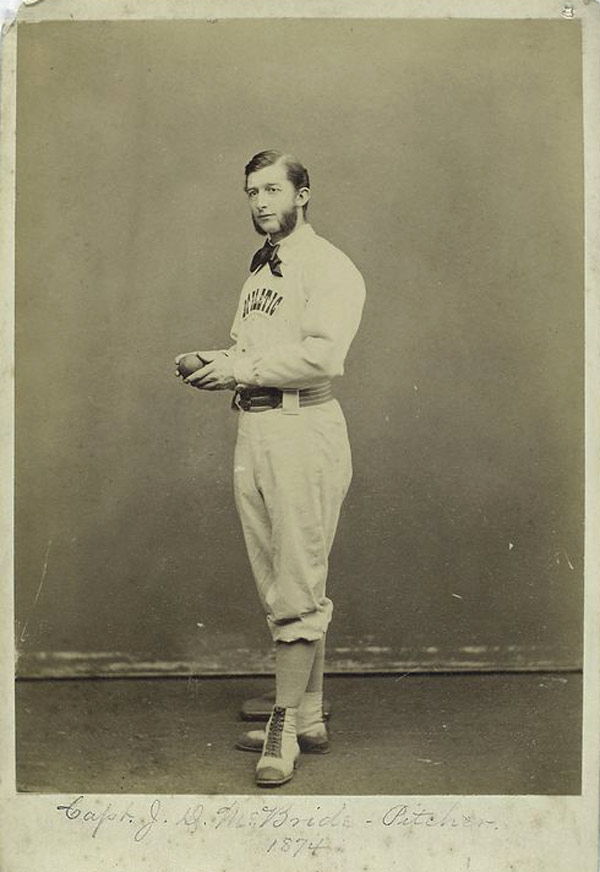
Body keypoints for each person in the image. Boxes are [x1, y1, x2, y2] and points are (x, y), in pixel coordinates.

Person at [175, 150, 365, 787]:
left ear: (304, 193)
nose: (260, 202)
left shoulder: (330, 266)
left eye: (274, 190)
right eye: (252, 191)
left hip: (303, 429)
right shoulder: (260, 267)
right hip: (256, 428)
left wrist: (241, 368)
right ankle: (308, 713)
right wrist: (216, 359)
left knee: (296, 578)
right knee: (280, 575)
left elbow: (321, 358)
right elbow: (252, 350)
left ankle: (282, 728)